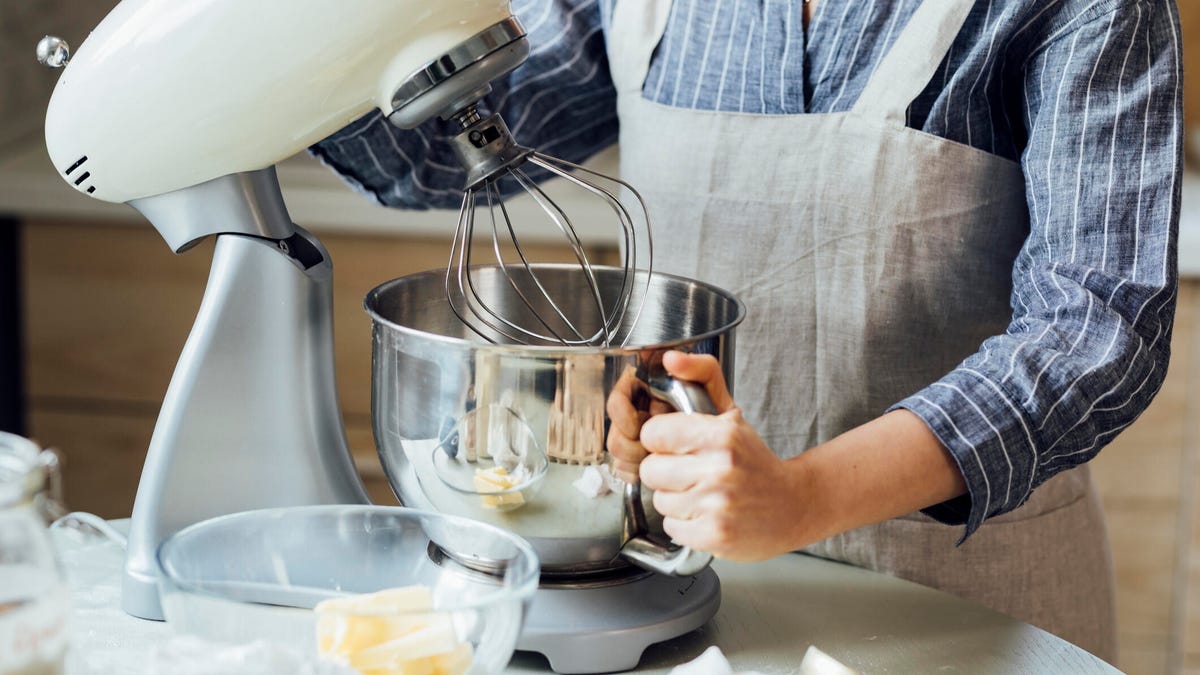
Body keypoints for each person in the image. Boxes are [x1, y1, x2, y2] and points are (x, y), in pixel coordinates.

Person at [313, 0, 1182, 663]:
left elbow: (1098, 324)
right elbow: (430, 149)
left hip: (968, 608)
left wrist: (801, 496)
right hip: (681, 604)